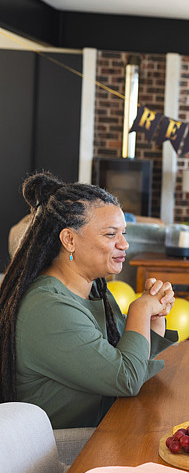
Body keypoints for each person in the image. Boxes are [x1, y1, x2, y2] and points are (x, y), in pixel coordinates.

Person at [0, 173, 177, 429]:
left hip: (107, 427)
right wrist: (140, 308)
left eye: (123, 233)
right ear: (69, 240)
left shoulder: (93, 288)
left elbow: (131, 358)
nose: (124, 244)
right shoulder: (49, 308)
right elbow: (126, 379)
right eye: (110, 234)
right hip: (64, 446)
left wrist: (153, 316)